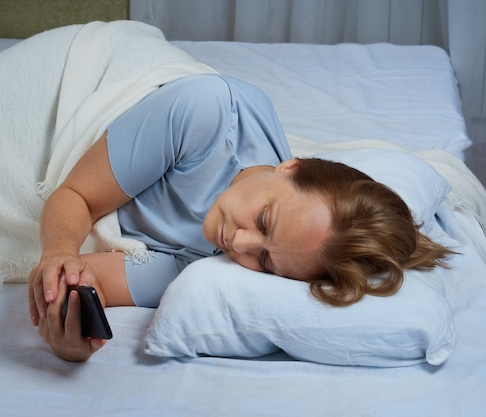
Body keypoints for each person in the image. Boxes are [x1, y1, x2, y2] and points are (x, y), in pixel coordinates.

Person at [28, 74, 452, 361]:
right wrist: (58, 248)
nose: (239, 244)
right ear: (291, 166)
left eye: (266, 261)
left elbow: (95, 278)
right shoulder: (204, 114)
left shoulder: (215, 266)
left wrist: (69, 322)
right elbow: (75, 194)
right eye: (265, 221)